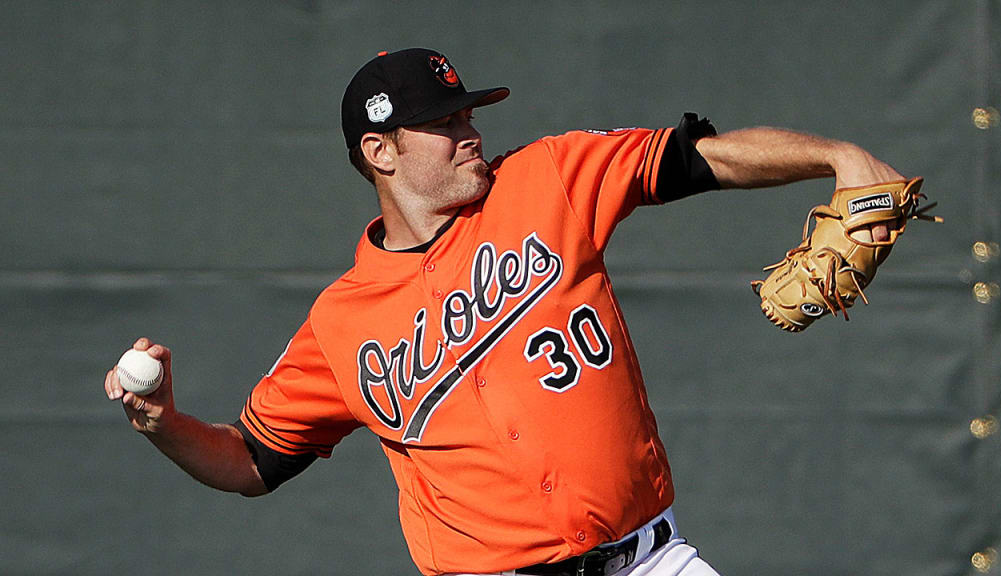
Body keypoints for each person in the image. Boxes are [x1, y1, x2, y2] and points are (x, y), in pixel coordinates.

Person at [104, 48, 905, 576]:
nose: (470, 133)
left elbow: (699, 157)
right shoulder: (341, 322)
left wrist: (834, 157)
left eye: (469, 115)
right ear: (380, 153)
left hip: (649, 560)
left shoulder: (547, 177)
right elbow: (249, 461)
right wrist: (163, 423)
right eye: (444, 122)